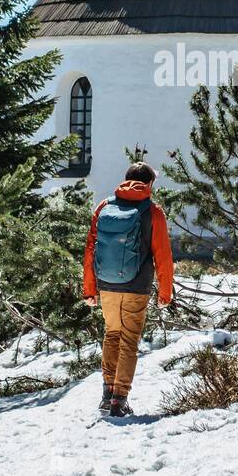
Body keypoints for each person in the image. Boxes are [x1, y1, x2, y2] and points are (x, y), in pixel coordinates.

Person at [82, 161, 174, 417]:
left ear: (125, 179)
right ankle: (119, 400)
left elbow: (90, 249)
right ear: (150, 184)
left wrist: (90, 288)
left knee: (112, 334)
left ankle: (107, 393)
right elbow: (163, 256)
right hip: (136, 286)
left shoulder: (105, 206)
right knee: (129, 340)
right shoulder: (153, 211)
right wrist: (165, 292)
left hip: (107, 284)